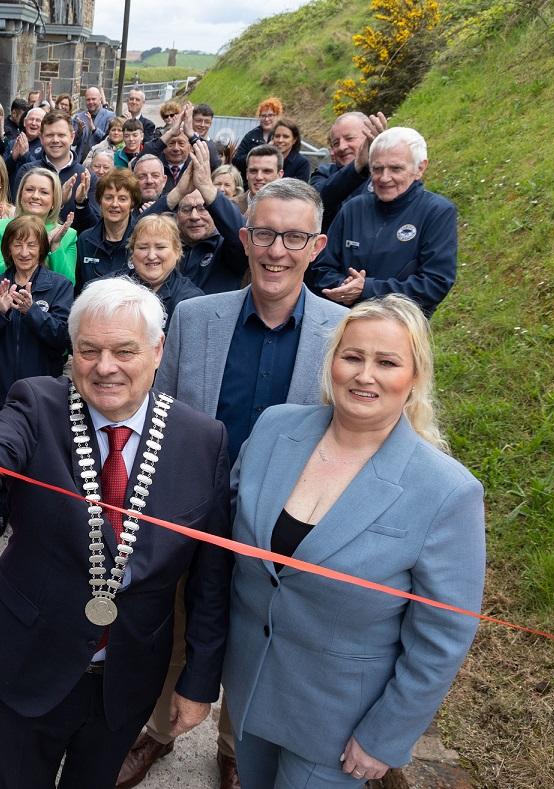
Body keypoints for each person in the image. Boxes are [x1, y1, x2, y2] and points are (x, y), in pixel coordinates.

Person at [0, 277, 234, 789]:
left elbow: (211, 580)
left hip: (130, 673)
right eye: (89, 350)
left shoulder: (202, 441)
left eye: (124, 350)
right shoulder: (39, 402)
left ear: (157, 349)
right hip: (32, 655)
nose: (105, 367)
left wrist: (199, 681)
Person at [224, 294, 485, 788]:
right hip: (251, 689)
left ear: (414, 378)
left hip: (339, 729)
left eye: (387, 362)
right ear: (332, 363)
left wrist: (386, 735)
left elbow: (442, 636)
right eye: (353, 357)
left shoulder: (446, 492)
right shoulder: (274, 429)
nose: (365, 375)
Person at [140, 179, 348, 789]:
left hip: (282, 520)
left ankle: (233, 748)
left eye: (293, 237)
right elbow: (163, 413)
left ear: (317, 246)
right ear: (244, 237)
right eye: (264, 233)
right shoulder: (194, 317)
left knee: (258, 634)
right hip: (192, 509)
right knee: (170, 625)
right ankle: (156, 730)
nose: (276, 250)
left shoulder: (342, 333)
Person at [0, 216, 74, 537]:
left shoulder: (59, 286)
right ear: (8, 248)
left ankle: (32, 512)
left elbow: (64, 338)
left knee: (39, 454)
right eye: (18, 243)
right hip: (1, 390)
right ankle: (0, 509)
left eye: (31, 244)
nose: (25, 251)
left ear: (42, 248)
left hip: (42, 391)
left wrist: (34, 313)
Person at [311, 127, 458, 318]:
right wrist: (343, 287)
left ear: (420, 168)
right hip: (345, 323)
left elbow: (435, 283)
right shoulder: (353, 209)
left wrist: (367, 289)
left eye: (396, 168)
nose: (384, 177)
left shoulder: (437, 212)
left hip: (401, 329)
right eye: (377, 169)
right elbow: (321, 268)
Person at [164, 143, 248, 296]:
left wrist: (208, 189)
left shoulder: (227, 248)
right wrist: (176, 193)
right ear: (176, 215)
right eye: (187, 209)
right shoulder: (166, 247)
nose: (194, 216)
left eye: (203, 208)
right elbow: (136, 233)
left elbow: (243, 236)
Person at [0, 167, 78, 282]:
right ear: (20, 196)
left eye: (44, 192)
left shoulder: (68, 235)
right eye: (29, 190)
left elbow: (68, 283)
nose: (35, 196)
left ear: (54, 201)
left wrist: (54, 246)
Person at [119, 214, 203, 330]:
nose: (151, 256)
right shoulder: (111, 289)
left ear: (177, 251)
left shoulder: (190, 301)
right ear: (132, 252)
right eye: (143, 248)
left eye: (160, 247)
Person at [74, 168, 140, 294]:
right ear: (100, 201)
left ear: (132, 204)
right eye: (109, 197)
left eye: (122, 199)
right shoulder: (85, 240)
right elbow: (78, 289)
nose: (114, 204)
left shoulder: (141, 240)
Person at [12, 110, 86, 203]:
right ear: (41, 138)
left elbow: (94, 217)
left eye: (61, 135)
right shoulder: (27, 171)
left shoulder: (85, 176)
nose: (55, 140)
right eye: (50, 135)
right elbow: (19, 212)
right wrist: (59, 203)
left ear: (72, 137)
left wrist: (82, 204)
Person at [232, 96, 283, 180]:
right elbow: (236, 160)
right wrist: (258, 152)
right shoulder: (251, 135)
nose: (266, 119)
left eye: (270, 115)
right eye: (263, 116)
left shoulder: (282, 136)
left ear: (277, 116)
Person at [244, 144, 285, 209]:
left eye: (267, 171)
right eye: (253, 171)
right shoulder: (228, 208)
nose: (259, 177)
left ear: (280, 175)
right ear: (247, 174)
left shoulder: (291, 208)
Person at [271, 117, 310, 182]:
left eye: (285, 137)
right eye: (277, 136)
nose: (280, 140)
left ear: (294, 140)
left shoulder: (302, 164)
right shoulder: (266, 159)